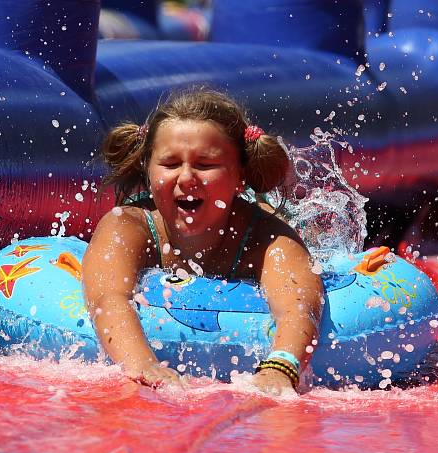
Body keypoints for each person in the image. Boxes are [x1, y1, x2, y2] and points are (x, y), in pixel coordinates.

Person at [82, 88, 324, 395]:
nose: (185, 178)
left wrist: (280, 367)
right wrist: (144, 366)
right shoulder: (130, 226)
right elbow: (108, 299)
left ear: (240, 177)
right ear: (148, 170)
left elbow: (298, 308)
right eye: (170, 164)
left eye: (205, 165)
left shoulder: (266, 236)